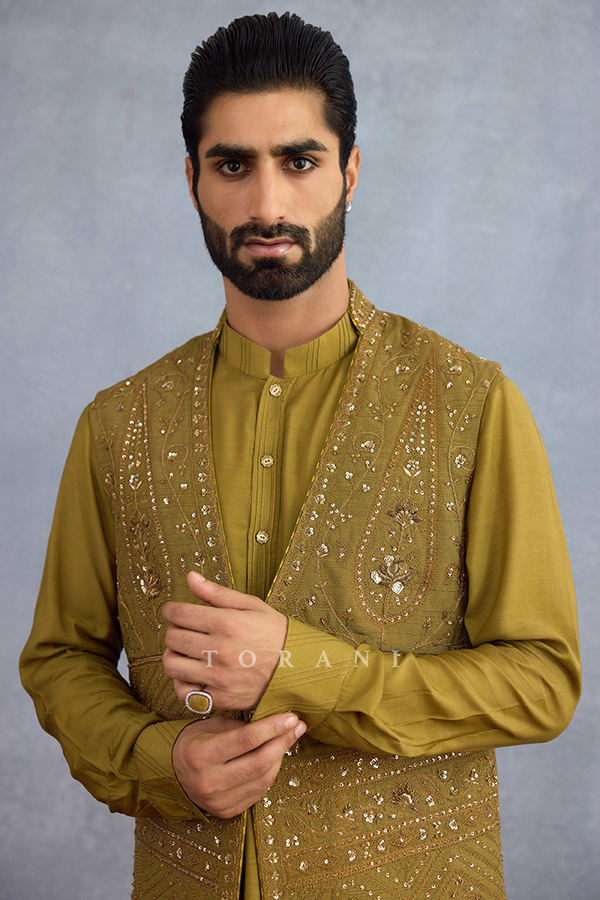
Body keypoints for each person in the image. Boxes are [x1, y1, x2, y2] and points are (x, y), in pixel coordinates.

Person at [20, 12, 581, 900]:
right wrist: (162, 758)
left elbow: (542, 681)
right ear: (192, 179)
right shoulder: (119, 423)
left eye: (300, 161)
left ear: (349, 171)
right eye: (232, 165)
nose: (267, 205)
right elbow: (60, 661)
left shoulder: (470, 403)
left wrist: (299, 666)